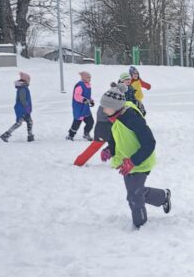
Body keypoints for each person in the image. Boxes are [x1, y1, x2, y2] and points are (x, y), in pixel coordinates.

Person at [99, 88, 171, 230]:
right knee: (136, 191)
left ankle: (140, 225)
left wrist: (133, 161)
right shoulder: (115, 119)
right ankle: (163, 196)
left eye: (105, 107)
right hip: (127, 164)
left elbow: (150, 142)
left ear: (115, 107)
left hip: (140, 161)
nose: (103, 110)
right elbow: (115, 139)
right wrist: (109, 149)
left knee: (134, 196)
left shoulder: (132, 119)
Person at [0, 71, 34, 142]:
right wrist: (27, 108)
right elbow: (23, 100)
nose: (29, 82)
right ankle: (6, 135)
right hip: (22, 109)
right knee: (20, 123)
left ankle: (30, 136)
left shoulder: (23, 87)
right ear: (25, 80)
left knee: (29, 122)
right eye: (28, 80)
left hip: (23, 108)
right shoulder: (22, 89)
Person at [67, 70, 94, 140]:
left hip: (85, 108)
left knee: (90, 122)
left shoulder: (87, 85)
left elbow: (86, 95)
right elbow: (77, 96)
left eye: (90, 78)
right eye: (88, 78)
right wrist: (84, 99)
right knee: (77, 123)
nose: (90, 79)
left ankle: (86, 133)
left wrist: (91, 100)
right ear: (84, 78)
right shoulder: (79, 85)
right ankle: (70, 135)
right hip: (79, 108)